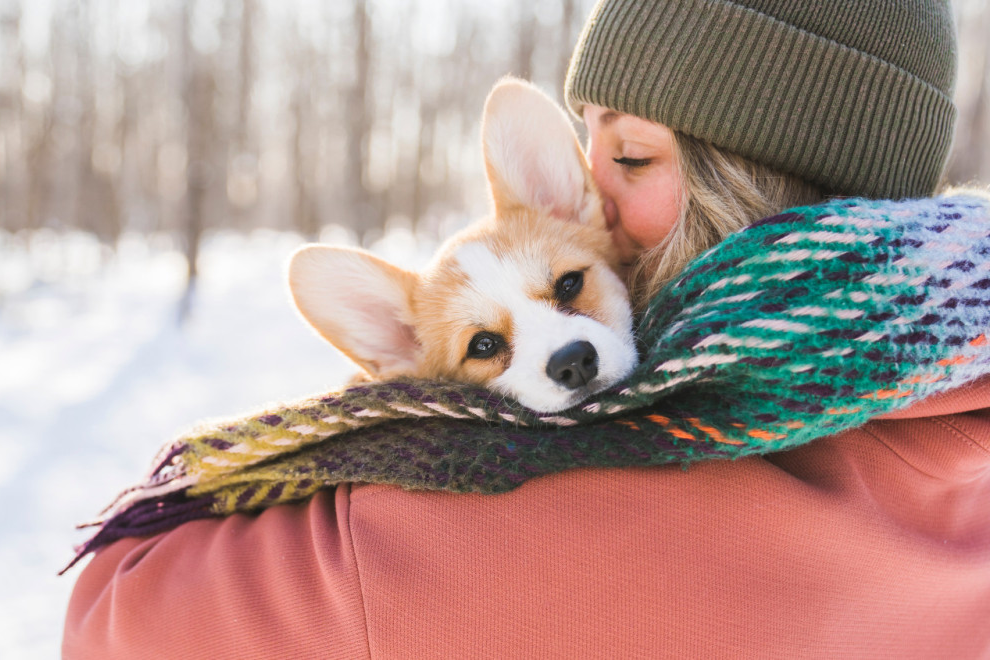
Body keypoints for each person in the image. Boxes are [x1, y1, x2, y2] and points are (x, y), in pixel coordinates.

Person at [64, 1, 990, 657]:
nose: (599, 199)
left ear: (748, 177)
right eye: (590, 153)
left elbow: (120, 611)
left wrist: (401, 426)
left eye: (629, 155)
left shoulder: (548, 510)